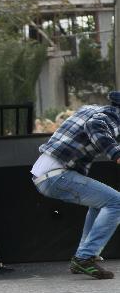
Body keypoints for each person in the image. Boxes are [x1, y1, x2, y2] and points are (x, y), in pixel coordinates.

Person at [31, 91, 120, 279]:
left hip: (46, 172)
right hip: (56, 175)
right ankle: (84, 258)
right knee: (116, 202)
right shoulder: (112, 117)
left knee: (102, 202)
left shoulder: (91, 108)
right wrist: (116, 154)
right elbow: (95, 127)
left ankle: (84, 256)